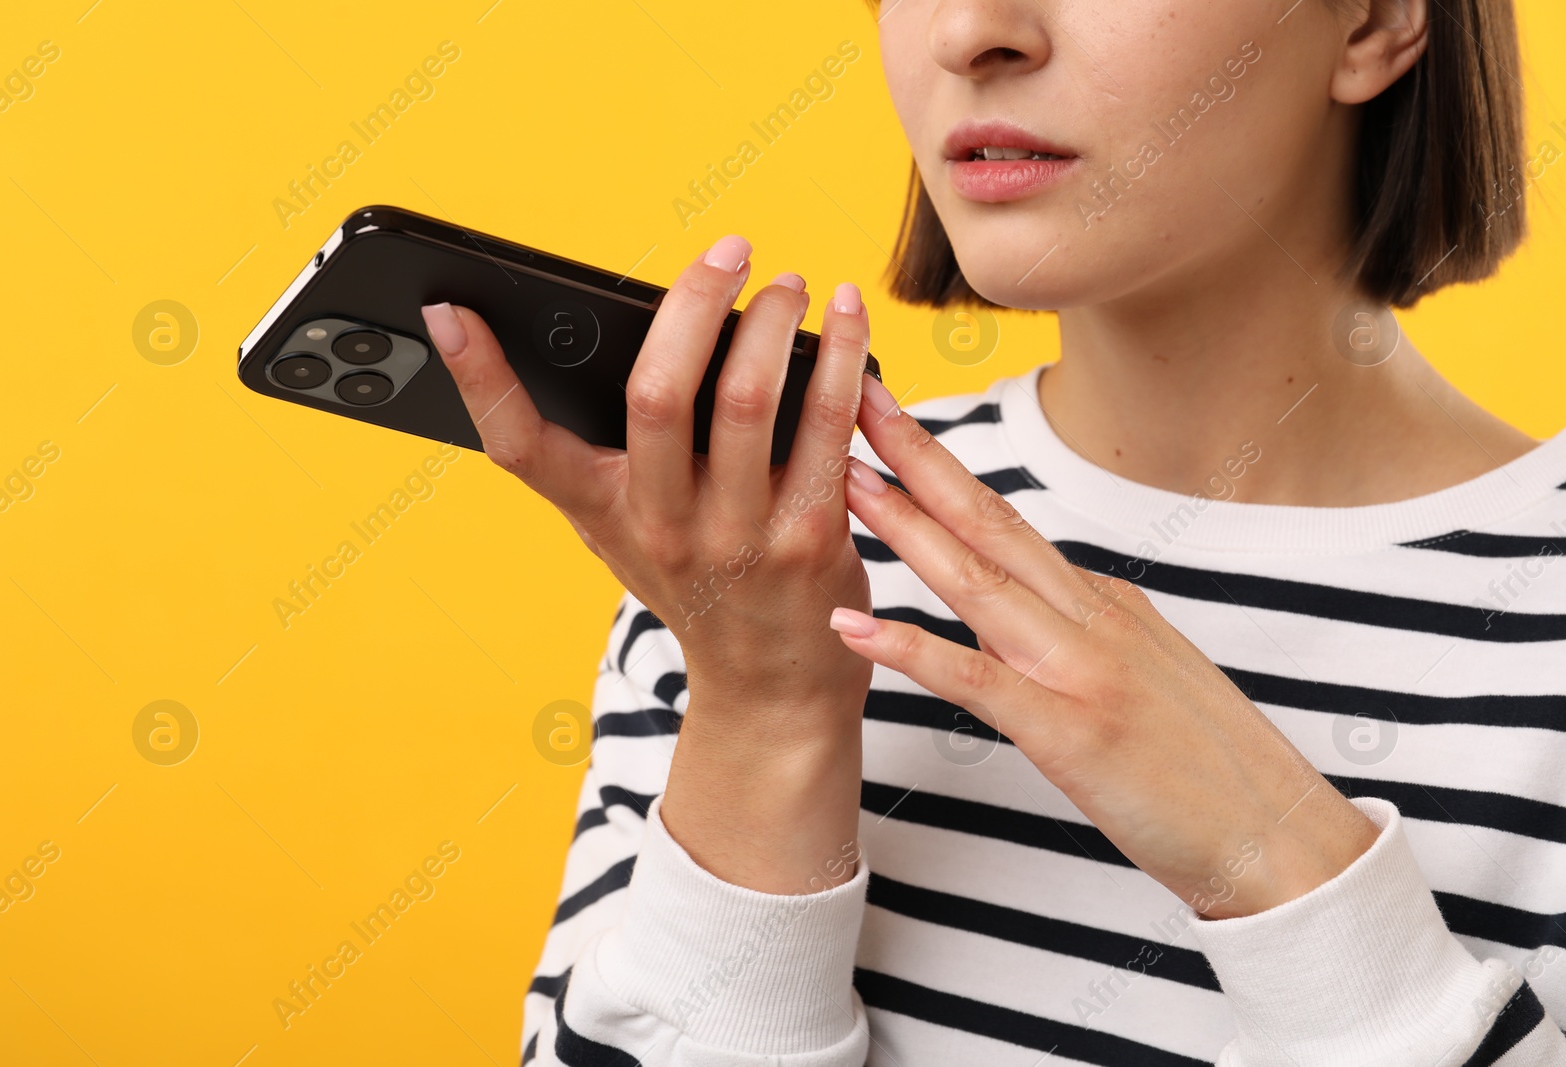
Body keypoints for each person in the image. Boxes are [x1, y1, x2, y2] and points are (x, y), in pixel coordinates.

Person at [419, 0, 1566, 1061]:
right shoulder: (762, 548)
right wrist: (764, 715)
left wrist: (1282, 867)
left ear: (1369, 22)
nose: (970, 32)